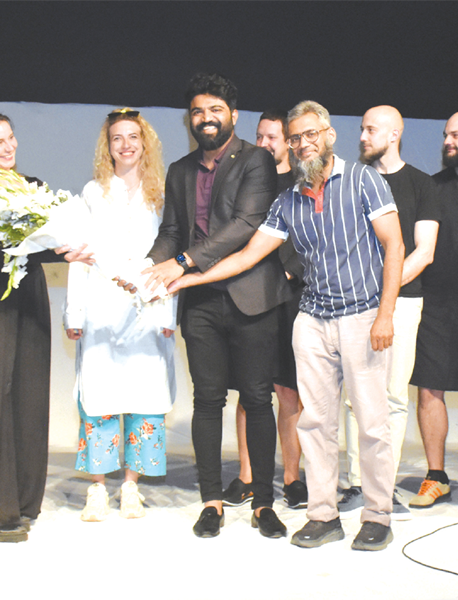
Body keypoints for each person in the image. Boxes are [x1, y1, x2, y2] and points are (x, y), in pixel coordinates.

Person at [168, 101, 404, 551]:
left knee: (372, 424)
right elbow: (247, 255)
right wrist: (187, 278)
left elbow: (394, 245)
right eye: (295, 138)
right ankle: (323, 515)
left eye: (311, 134)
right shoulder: (288, 200)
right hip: (312, 320)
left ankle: (377, 515)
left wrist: (386, 314)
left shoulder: (363, 180)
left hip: (362, 315)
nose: (302, 144)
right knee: (314, 424)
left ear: (329, 135)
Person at [131, 73, 292, 540]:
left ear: (233, 116)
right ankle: (211, 502)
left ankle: (263, 503)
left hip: (252, 297)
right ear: (190, 118)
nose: (206, 118)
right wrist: (146, 268)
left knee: (257, 399)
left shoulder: (257, 160)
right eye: (198, 111)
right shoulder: (180, 170)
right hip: (200, 302)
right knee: (207, 401)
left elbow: (244, 224)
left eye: (215, 110)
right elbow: (171, 232)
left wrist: (181, 263)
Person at [0, 111, 92, 543]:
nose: (9, 146)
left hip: (28, 290)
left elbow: (43, 243)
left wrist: (67, 251)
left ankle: (24, 501)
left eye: (11, 137)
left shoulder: (32, 186)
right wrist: (49, 248)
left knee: (30, 394)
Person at [64, 109, 177, 521]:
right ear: (107, 146)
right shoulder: (93, 193)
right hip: (101, 309)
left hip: (150, 307)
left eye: (133, 136)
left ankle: (131, 485)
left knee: (144, 395)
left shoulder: (161, 193)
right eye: (117, 138)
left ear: (145, 143)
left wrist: (169, 313)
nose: (126, 144)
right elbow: (80, 254)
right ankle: (97, 487)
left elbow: (173, 257)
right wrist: (75, 312)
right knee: (100, 396)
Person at [338, 106, 440, 517]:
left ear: (394, 134)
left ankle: (383, 486)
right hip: (356, 303)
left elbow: (424, 251)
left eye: (371, 130)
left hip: (403, 302)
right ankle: (356, 484)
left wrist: (385, 291)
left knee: (394, 397)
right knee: (355, 398)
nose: (362, 136)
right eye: (361, 129)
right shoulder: (350, 181)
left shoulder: (421, 184)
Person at [224, 109, 308, 510]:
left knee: (289, 391)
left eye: (272, 137)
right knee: (250, 390)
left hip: (290, 299)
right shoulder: (245, 179)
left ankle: (292, 477)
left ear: (289, 142)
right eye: (258, 136)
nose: (263, 144)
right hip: (251, 297)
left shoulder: (303, 184)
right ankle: (247, 476)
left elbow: (313, 240)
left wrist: (290, 271)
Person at [407, 111, 458, 508]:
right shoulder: (432, 188)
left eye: (455, 135)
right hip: (438, 303)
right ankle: (436, 476)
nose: (447, 142)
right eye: (446, 135)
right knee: (429, 387)